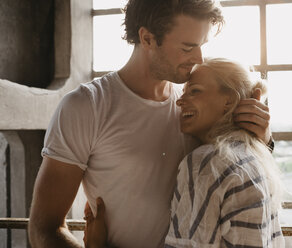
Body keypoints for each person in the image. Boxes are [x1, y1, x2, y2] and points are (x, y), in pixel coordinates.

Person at [28, 1, 273, 247]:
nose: (199, 58)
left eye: (201, 46)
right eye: (188, 47)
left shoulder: (196, 104)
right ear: (147, 38)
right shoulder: (86, 106)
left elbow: (236, 173)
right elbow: (44, 229)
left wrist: (262, 138)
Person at [84, 58, 284, 248]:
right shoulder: (255, 157)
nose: (179, 102)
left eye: (195, 91)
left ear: (228, 101)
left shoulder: (206, 164)